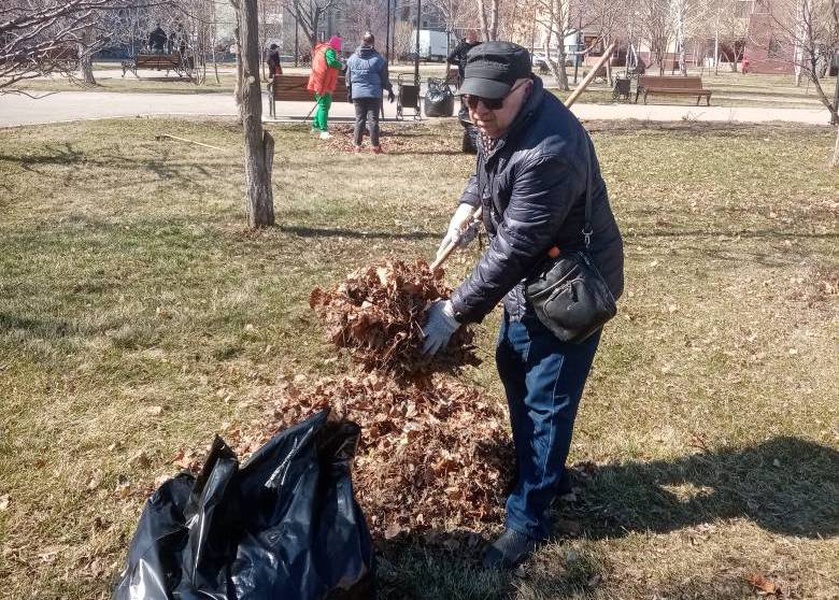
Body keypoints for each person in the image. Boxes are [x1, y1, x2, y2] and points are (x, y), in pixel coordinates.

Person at [422, 42, 624, 570]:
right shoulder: (496, 117)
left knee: (547, 398)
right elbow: (488, 163)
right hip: (531, 279)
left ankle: (528, 520)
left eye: (490, 103)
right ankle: (540, 473)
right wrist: (468, 205)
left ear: (524, 90)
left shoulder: (550, 151)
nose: (478, 114)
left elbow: (514, 249)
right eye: (470, 102)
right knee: (513, 363)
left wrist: (454, 310)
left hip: (568, 286)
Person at [345, 32, 395, 154]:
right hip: (374, 94)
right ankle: (375, 147)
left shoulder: (352, 59)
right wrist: (390, 90)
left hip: (358, 94)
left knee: (359, 119)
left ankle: (357, 146)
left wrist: (349, 91)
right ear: (373, 43)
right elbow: (384, 79)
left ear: (362, 41)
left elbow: (348, 78)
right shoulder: (379, 60)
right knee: (373, 120)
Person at [307, 36, 344, 140]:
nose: (338, 52)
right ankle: (323, 131)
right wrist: (343, 66)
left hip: (318, 81)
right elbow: (331, 62)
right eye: (338, 50)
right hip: (323, 83)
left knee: (322, 105)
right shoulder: (330, 51)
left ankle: (315, 127)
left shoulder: (322, 50)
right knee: (324, 106)